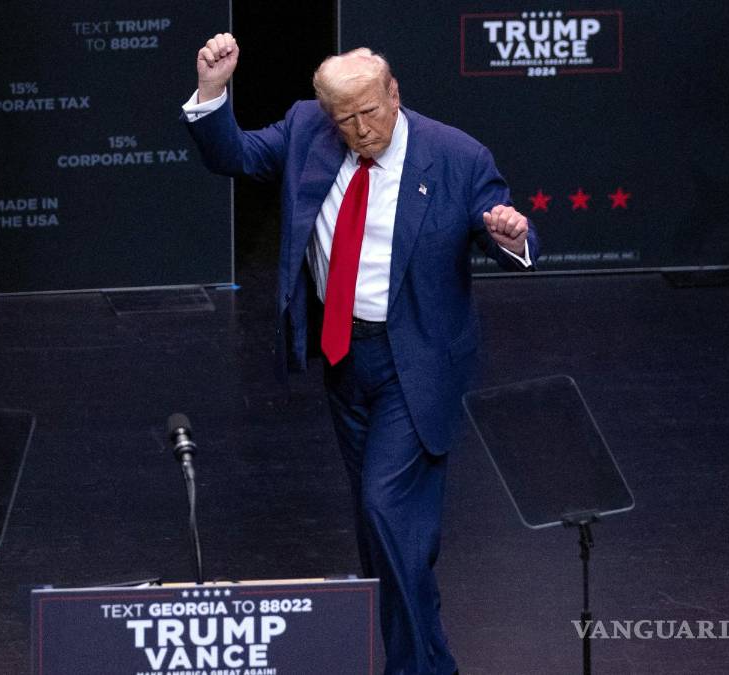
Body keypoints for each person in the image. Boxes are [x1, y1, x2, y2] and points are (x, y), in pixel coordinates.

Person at [181, 33, 539, 675]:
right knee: (384, 533)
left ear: (394, 94)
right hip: (344, 359)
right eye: (344, 119)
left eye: (370, 112)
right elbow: (233, 155)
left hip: (417, 362)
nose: (360, 129)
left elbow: (508, 230)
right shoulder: (307, 130)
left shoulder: (455, 155)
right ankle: (424, 660)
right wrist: (212, 91)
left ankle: (421, 667)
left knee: (384, 509)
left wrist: (510, 234)